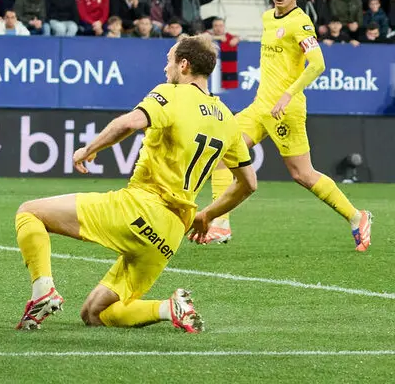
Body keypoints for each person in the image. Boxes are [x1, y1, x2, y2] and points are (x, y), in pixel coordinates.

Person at [14, 35, 254, 332]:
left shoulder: (173, 94)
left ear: (184, 64)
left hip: (139, 208)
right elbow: (249, 183)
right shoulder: (228, 120)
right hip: (171, 233)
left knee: (29, 212)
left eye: (169, 61)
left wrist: (88, 149)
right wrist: (207, 215)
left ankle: (43, 291)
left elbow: (128, 123)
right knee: (94, 313)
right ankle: (169, 308)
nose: (165, 69)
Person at [198, 0, 373, 251]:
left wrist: (288, 95)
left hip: (285, 111)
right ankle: (221, 224)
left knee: (302, 175)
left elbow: (318, 64)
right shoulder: (268, 18)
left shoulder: (301, 23)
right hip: (260, 107)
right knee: (221, 150)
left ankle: (357, 216)